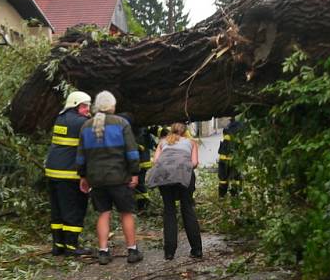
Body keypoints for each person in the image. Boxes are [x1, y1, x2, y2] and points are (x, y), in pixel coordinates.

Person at [77, 91, 143, 265]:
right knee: (126, 213)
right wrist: (134, 172)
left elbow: (81, 156)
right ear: (112, 106)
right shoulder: (122, 124)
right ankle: (132, 250)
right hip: (119, 178)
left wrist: (83, 176)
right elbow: (132, 151)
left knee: (103, 214)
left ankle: (103, 252)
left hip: (96, 179)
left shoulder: (86, 126)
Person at [45, 90, 92, 256]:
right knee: (74, 208)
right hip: (69, 173)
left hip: (52, 172)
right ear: (75, 105)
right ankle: (72, 247)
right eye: (85, 106)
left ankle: (58, 245)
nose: (88, 109)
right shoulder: (82, 123)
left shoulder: (60, 118)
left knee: (57, 209)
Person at [146, 122, 203, 260]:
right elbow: (194, 163)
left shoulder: (162, 142)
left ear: (171, 131)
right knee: (187, 208)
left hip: (164, 175)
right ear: (185, 132)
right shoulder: (191, 142)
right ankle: (196, 250)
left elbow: (155, 161)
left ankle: (169, 252)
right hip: (184, 175)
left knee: (169, 210)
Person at [217, 117, 242, 198]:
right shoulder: (241, 126)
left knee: (223, 178)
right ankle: (235, 196)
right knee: (235, 178)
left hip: (225, 158)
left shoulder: (228, 127)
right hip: (234, 158)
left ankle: (222, 196)